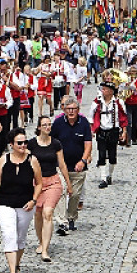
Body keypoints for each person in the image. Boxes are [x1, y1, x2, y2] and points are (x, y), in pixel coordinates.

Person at [0, 128, 43, 273]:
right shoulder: (3, 160)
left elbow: (39, 183)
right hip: (5, 203)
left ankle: (17, 264)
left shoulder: (33, 160)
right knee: (9, 235)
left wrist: (34, 200)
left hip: (25, 205)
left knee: (20, 237)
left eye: (25, 142)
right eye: (19, 143)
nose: (23, 145)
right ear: (11, 144)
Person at [27, 116, 73, 263]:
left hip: (53, 182)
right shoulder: (32, 144)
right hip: (36, 183)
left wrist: (68, 183)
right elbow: (25, 163)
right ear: (39, 127)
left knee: (48, 213)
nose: (47, 127)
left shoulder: (56, 144)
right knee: (38, 214)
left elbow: (62, 164)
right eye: (44, 125)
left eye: (49, 125)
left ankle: (45, 250)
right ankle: (41, 242)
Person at [50, 96, 92, 236]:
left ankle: (71, 217)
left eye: (74, 109)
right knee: (61, 192)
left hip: (78, 166)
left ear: (78, 110)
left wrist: (84, 160)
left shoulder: (84, 123)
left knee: (74, 195)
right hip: (60, 166)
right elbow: (51, 142)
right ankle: (62, 221)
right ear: (64, 110)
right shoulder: (57, 123)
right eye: (69, 109)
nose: (71, 111)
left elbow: (88, 144)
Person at [91, 81, 128, 188]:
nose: (103, 91)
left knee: (112, 156)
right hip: (101, 131)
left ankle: (109, 175)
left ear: (111, 92)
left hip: (113, 131)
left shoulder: (118, 103)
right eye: (102, 89)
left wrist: (124, 132)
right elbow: (91, 117)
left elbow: (123, 118)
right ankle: (103, 178)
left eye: (105, 89)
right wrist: (91, 131)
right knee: (101, 154)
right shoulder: (97, 102)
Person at [123, 67, 137, 145]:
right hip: (128, 103)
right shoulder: (126, 81)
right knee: (128, 122)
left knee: (135, 122)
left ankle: (134, 138)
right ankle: (128, 139)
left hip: (136, 104)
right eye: (131, 72)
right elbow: (122, 93)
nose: (132, 74)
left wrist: (135, 89)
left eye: (134, 72)